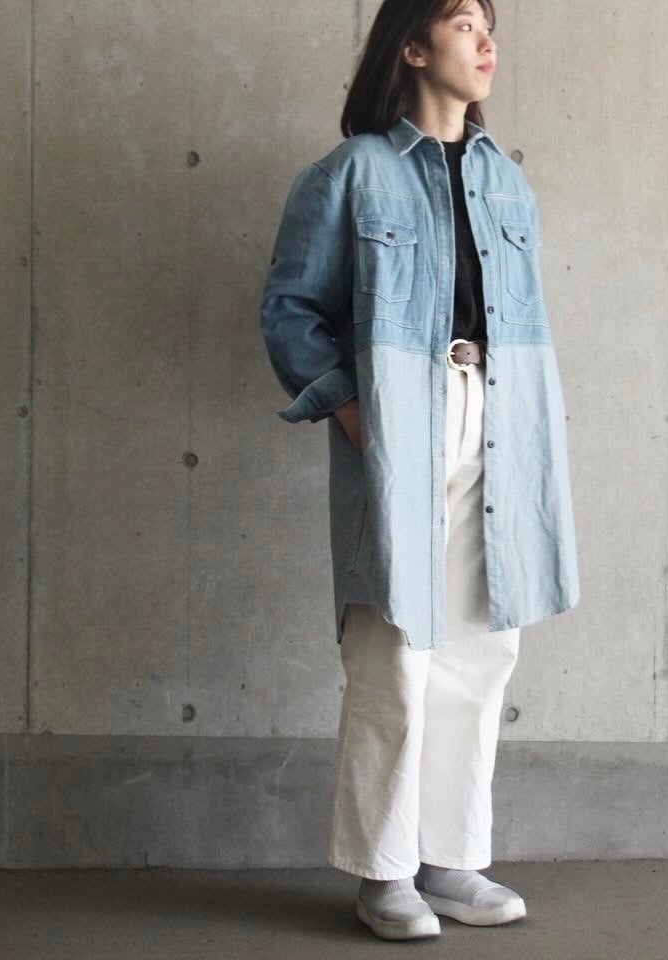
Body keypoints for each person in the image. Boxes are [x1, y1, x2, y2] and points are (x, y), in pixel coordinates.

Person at [259, 0, 579, 942]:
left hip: (499, 417)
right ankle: (385, 871)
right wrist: (353, 411)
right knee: (394, 647)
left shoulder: (506, 181)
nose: (487, 42)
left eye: (489, 27)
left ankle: (452, 859)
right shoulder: (352, 173)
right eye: (466, 23)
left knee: (483, 648)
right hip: (401, 416)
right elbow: (289, 311)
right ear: (411, 46)